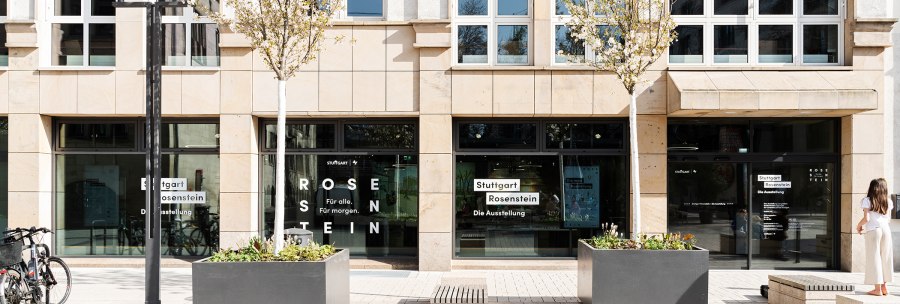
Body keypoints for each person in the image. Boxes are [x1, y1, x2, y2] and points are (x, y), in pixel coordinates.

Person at [856, 178, 894, 296]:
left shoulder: (867, 200)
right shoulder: (888, 201)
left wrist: (858, 226)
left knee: (875, 258)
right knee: (885, 257)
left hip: (874, 230)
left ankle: (877, 289)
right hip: (886, 230)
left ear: (872, 188)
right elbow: (887, 219)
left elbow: (867, 219)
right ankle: (884, 287)